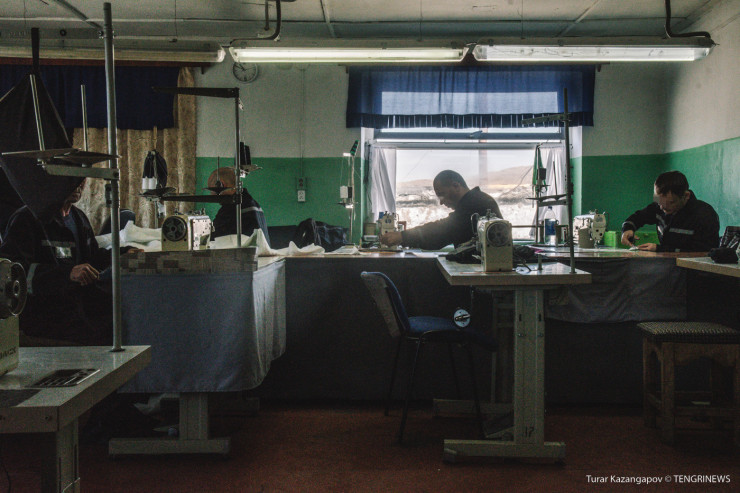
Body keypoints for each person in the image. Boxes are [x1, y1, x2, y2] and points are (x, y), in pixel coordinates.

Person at [0, 179, 120, 344]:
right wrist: (67, 274)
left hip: (77, 308)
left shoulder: (79, 218)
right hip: (45, 316)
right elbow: (12, 273)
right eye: (71, 178)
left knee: (123, 317)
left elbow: (92, 258)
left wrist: (123, 254)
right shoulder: (26, 219)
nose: (78, 184)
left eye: (82, 179)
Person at [379, 170, 502, 250]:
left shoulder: (474, 203)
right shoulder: (475, 200)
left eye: (442, 194)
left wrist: (403, 236)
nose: (441, 202)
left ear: (456, 186)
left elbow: (443, 231)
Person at [620, 170, 719, 252]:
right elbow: (638, 217)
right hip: (667, 264)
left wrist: (660, 249)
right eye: (659, 201)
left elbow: (704, 253)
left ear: (686, 196)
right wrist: (628, 229)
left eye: (671, 202)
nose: (662, 207)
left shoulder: (705, 215)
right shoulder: (660, 205)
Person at [208, 168, 270, 244]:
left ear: (221, 185)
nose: (211, 195)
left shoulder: (232, 208)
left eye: (211, 190)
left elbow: (212, 238)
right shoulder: (253, 204)